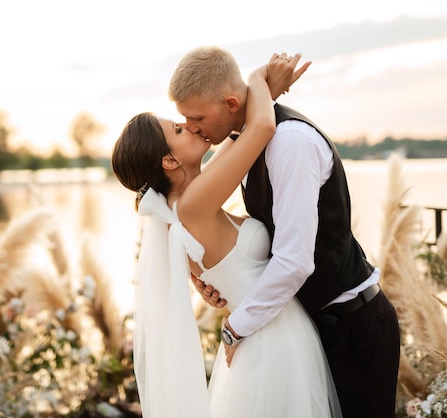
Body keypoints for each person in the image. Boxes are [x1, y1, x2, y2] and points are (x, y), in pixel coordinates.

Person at [169, 46, 401, 418]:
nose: (192, 127)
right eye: (184, 120)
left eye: (196, 117)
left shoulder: (290, 143)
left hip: (352, 330)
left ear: (230, 103)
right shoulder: (249, 140)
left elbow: (294, 261)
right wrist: (221, 280)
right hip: (307, 330)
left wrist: (236, 326)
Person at [112, 53, 341, 418]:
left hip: (265, 334)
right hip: (271, 340)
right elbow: (261, 128)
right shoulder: (192, 206)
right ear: (169, 162)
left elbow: (241, 134)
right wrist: (256, 77)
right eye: (178, 129)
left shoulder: (186, 202)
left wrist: (262, 93)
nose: (190, 126)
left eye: (189, 121)